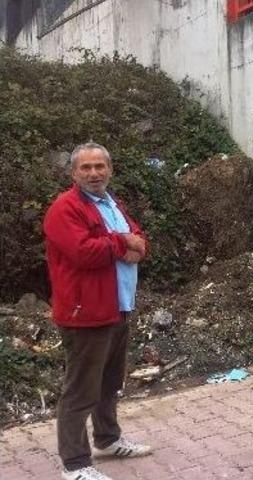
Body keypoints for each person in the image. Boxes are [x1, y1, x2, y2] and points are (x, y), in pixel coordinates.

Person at [43, 142, 152, 480]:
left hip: (118, 307)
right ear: (74, 173)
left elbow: (137, 237)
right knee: (80, 390)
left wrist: (133, 245)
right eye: (86, 168)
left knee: (108, 383)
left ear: (110, 169)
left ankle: (107, 439)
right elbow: (83, 252)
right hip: (85, 313)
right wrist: (122, 244)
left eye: (99, 166)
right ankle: (74, 464)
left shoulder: (111, 202)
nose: (94, 173)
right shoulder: (65, 208)